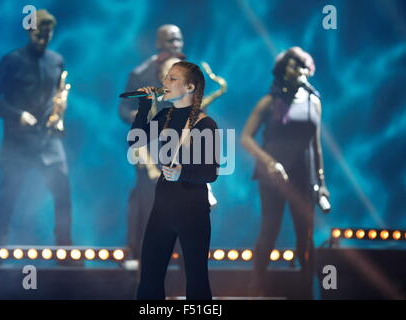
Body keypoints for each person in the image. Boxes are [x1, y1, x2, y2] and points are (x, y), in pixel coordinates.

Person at [241, 47, 330, 298]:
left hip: (305, 174)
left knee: (306, 236)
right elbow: (246, 138)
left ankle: (307, 289)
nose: (297, 70)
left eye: (301, 66)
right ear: (282, 71)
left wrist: (321, 182)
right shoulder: (270, 101)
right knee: (270, 230)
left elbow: (316, 144)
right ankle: (256, 286)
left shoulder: (314, 101)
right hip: (274, 176)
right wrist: (269, 162)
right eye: (292, 65)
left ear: (308, 70)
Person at [128, 61, 219, 300]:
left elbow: (211, 172)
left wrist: (183, 172)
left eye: (172, 78)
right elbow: (135, 141)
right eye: (166, 77)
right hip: (162, 207)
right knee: (149, 278)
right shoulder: (165, 116)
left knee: (197, 279)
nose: (164, 82)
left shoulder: (205, 124)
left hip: (192, 209)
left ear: (190, 87)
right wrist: (144, 106)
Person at [0, 9, 73, 247]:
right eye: (39, 33)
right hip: (18, 141)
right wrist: (17, 115)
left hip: (49, 139)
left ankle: (65, 247)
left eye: (48, 33)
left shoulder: (56, 60)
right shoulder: (12, 60)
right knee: (9, 195)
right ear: (30, 31)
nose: (44, 38)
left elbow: (58, 94)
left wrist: (59, 116)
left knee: (63, 193)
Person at [119, 24, 185, 260]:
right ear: (159, 44)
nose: (176, 46)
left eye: (179, 41)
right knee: (149, 210)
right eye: (170, 41)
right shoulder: (141, 73)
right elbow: (124, 108)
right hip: (149, 150)